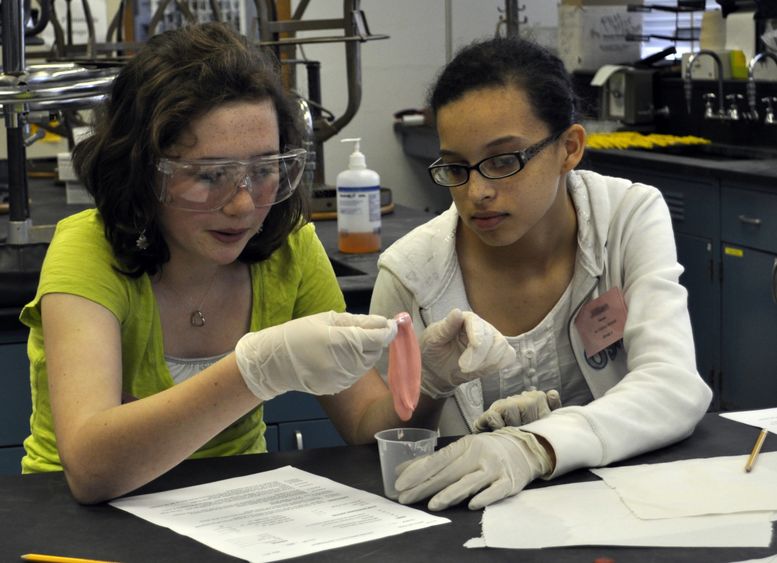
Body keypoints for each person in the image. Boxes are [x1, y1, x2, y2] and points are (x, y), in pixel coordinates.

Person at [19, 22, 399, 504]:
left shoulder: (289, 248)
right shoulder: (88, 250)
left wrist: (432, 381)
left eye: (263, 170)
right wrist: (255, 371)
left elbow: (368, 425)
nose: (243, 205)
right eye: (210, 175)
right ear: (142, 170)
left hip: (238, 514)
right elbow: (92, 469)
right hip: (80, 523)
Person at [367, 35, 713, 511]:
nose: (478, 192)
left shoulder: (626, 217)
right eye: (455, 167)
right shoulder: (410, 274)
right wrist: (429, 388)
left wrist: (534, 445)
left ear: (569, 148)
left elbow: (673, 385)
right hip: (466, 526)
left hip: (622, 509)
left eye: (504, 160)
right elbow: (385, 442)